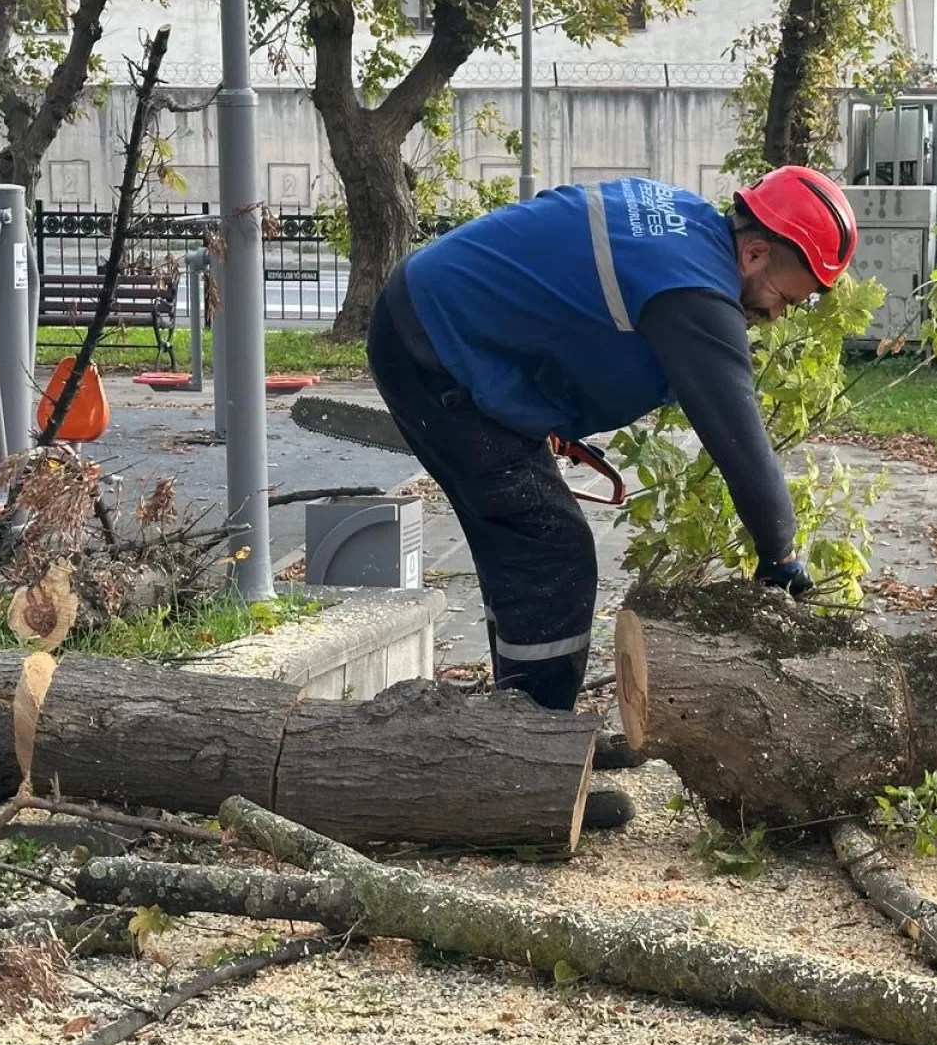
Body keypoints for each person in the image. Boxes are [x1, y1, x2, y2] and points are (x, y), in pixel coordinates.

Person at [367, 166, 858, 732]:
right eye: (781, 298)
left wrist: (540, 400)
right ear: (754, 254)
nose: (774, 316)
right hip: (434, 348)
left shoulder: (683, 225)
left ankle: (527, 736)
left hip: (435, 327)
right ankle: (534, 757)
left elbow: (567, 298)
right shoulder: (693, 290)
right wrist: (781, 556)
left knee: (523, 545)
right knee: (550, 549)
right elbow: (740, 443)